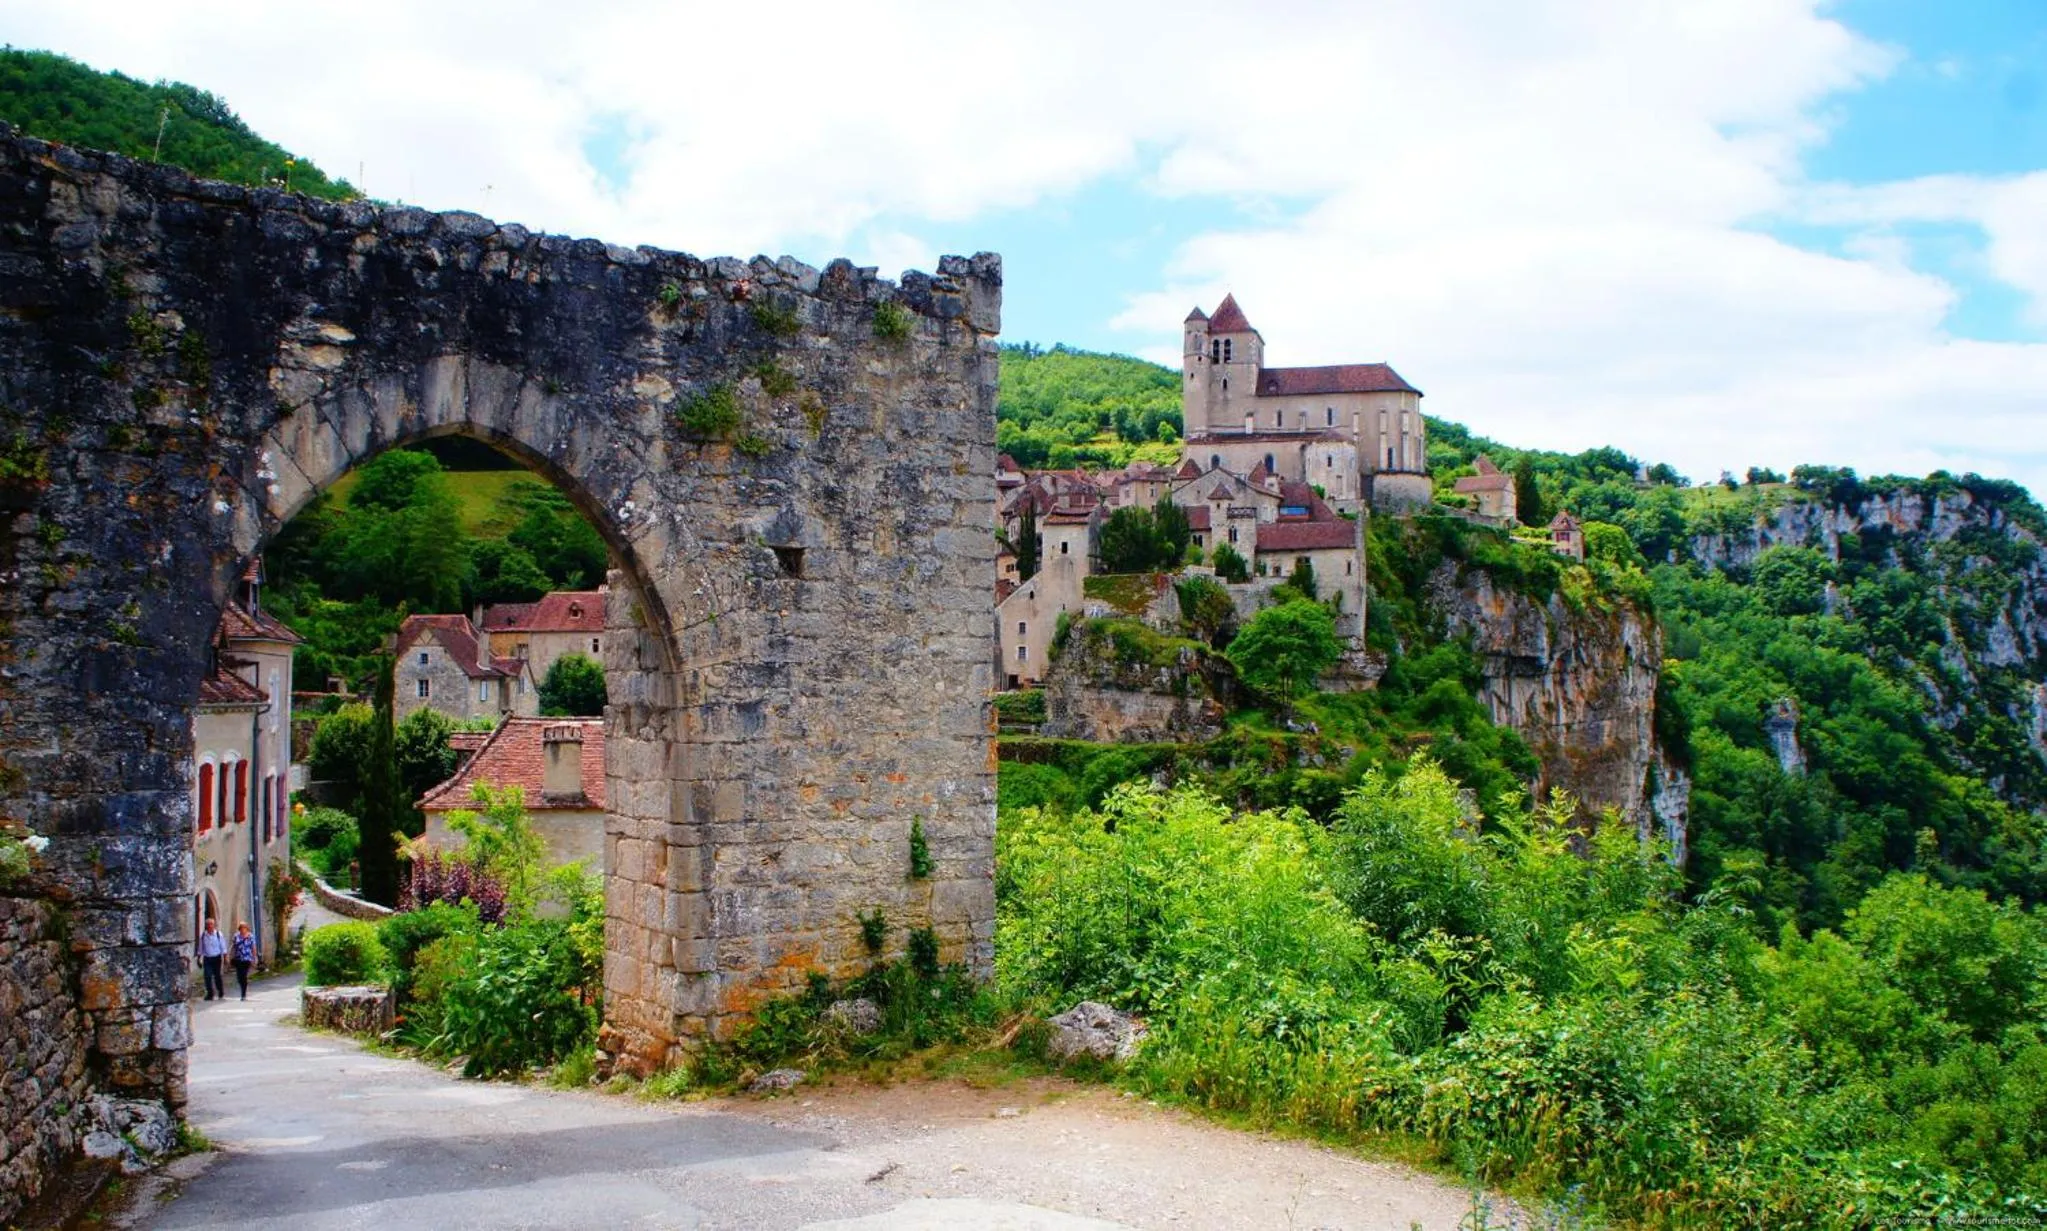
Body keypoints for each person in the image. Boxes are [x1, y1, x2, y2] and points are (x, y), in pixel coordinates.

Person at [197, 917, 228, 1001]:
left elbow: (223, 947)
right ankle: (210, 994)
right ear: (206, 926)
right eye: (208, 925)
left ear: (214, 925)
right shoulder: (203, 935)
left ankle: (221, 992)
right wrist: (198, 959)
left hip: (217, 958)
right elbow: (200, 948)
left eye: (211, 924)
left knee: (217, 976)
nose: (210, 926)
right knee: (207, 976)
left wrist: (225, 958)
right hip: (207, 959)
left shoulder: (218, 934)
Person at [231, 921, 257, 1001]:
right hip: (238, 958)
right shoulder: (236, 936)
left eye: (244, 928)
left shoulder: (251, 936)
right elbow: (233, 946)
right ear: (239, 929)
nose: (243, 930)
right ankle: (242, 987)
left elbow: (253, 947)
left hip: (247, 958)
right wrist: (230, 955)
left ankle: (243, 994)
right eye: (241, 928)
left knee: (244, 976)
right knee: (239, 977)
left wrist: (254, 958)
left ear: (246, 928)